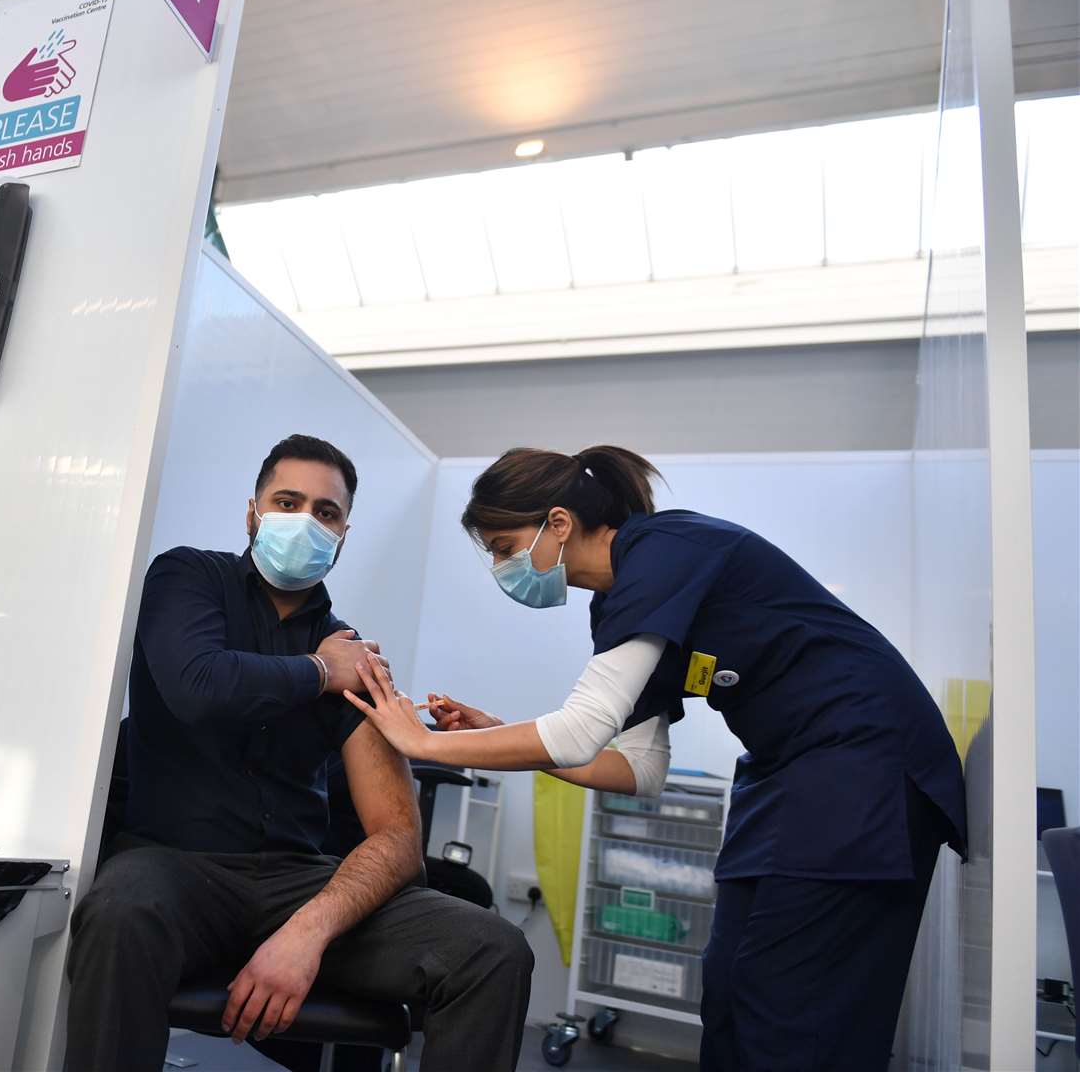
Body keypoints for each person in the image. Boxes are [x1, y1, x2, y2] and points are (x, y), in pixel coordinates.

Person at [342, 445, 969, 1072]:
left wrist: (424, 741)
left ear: (558, 524)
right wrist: (500, 734)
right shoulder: (621, 604)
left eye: (506, 548)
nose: (503, 568)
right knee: (732, 993)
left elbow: (578, 731)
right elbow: (637, 769)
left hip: (863, 767)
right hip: (790, 774)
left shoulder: (663, 552)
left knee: (796, 1015)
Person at [65, 435, 533, 1072]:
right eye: (288, 501)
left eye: (327, 512)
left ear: (343, 535)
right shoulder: (189, 578)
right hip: (173, 869)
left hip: (296, 881)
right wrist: (319, 670)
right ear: (253, 513)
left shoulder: (354, 655)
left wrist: (308, 930)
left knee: (492, 949)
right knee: (118, 915)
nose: (308, 521)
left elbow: (397, 836)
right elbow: (197, 686)